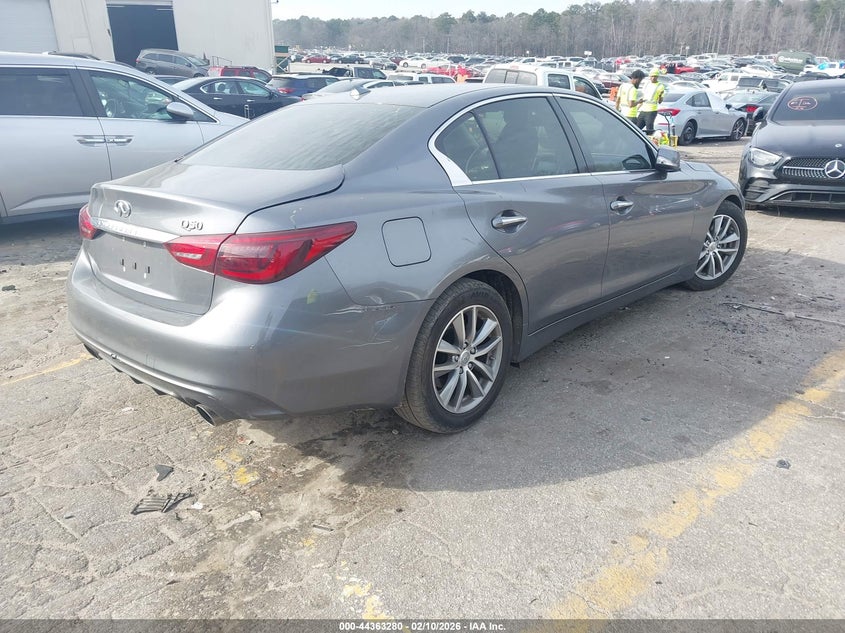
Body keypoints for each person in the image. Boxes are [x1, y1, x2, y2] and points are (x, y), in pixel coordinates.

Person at [637, 68, 666, 134]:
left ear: (657, 77)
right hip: (643, 110)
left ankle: (650, 143)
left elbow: (660, 101)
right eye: (652, 76)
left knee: (649, 129)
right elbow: (643, 97)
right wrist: (638, 107)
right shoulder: (646, 84)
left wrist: (660, 96)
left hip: (651, 111)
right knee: (637, 128)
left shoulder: (660, 86)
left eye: (655, 76)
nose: (653, 78)